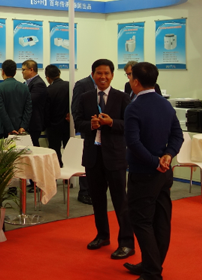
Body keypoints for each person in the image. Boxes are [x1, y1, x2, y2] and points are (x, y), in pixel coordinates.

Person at [123, 62, 183, 280]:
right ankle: (152, 264)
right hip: (164, 173)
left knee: (141, 221)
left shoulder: (134, 107)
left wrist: (154, 162)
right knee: (161, 220)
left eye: (130, 77)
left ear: (136, 82)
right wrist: (168, 155)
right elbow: (178, 135)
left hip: (144, 173)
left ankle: (152, 272)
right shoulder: (165, 104)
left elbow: (133, 142)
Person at [74, 59, 134, 260]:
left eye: (107, 73)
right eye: (99, 73)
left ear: (112, 75)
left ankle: (126, 243)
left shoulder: (122, 97)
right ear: (93, 75)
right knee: (97, 200)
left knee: (120, 201)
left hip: (115, 157)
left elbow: (129, 125)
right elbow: (78, 122)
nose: (103, 77)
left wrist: (111, 123)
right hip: (93, 156)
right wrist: (89, 125)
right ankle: (102, 235)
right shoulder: (85, 97)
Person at [71, 71, 95, 204]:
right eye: (100, 73)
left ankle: (93, 190)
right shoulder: (82, 84)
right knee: (87, 160)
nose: (103, 77)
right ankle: (84, 191)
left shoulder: (103, 87)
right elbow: (75, 107)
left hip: (101, 130)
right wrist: (81, 126)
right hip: (87, 129)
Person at [0, 59, 32, 139]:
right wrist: (23, 126)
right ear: (15, 72)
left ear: (3, 71)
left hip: (3, 130)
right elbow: (28, 109)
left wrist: (10, 129)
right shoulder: (24, 87)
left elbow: (2, 110)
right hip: (20, 130)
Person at [44, 65, 70, 166]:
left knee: (54, 151)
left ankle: (57, 170)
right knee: (69, 149)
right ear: (59, 73)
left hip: (53, 126)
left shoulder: (48, 90)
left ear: (48, 78)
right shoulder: (69, 85)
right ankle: (69, 171)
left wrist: (46, 125)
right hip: (68, 124)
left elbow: (46, 111)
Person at [21, 60, 47, 146]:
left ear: (31, 70)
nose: (22, 72)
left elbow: (30, 101)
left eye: (24, 69)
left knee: (33, 147)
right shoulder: (26, 83)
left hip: (34, 123)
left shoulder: (38, 84)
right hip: (28, 123)